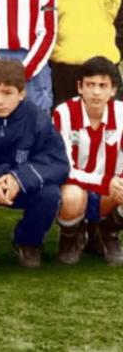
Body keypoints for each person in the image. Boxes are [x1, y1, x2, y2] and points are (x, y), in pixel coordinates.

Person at [0, 59, 70, 272]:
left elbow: (58, 163)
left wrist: (19, 178)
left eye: (7, 93)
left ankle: (27, 241)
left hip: (22, 185)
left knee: (49, 194)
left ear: (21, 93)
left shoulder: (38, 119)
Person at [53, 56, 123, 266]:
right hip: (77, 187)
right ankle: (71, 236)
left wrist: (117, 183)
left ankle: (108, 232)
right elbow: (63, 167)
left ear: (113, 90)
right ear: (79, 87)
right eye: (90, 85)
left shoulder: (122, 114)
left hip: (110, 191)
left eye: (102, 86)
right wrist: (105, 182)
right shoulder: (64, 113)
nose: (96, 92)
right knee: (72, 196)